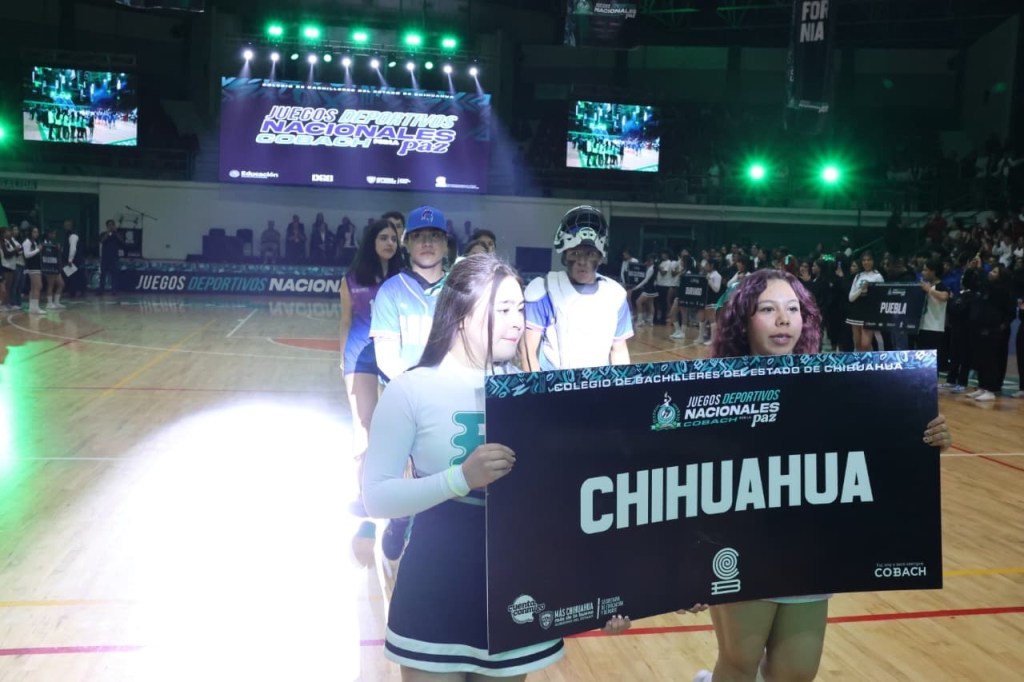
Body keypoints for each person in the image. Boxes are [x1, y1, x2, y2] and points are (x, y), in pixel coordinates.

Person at [363, 254, 630, 680]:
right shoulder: (411, 389)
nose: (517, 322)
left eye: (520, 309)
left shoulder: (537, 394)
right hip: (435, 588)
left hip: (516, 590)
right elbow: (377, 497)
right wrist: (461, 479)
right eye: (503, 309)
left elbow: (571, 505)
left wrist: (604, 588)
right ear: (461, 313)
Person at [692, 269, 953, 682]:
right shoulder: (713, 389)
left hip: (808, 549)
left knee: (797, 672)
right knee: (740, 662)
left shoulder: (832, 385)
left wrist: (926, 439)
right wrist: (685, 565)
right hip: (743, 545)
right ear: (743, 319)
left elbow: (877, 448)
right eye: (768, 309)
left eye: (793, 309)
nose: (784, 319)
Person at [369, 205, 450, 560]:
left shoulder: (460, 289)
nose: (427, 243)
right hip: (405, 393)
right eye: (419, 237)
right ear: (407, 244)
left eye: (434, 236)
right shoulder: (392, 290)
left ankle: (441, 527)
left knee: (445, 465)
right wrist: (419, 388)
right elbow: (386, 356)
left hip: (451, 392)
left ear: (445, 244)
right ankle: (400, 519)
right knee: (404, 468)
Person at [339, 219, 401, 521]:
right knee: (363, 424)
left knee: (394, 424)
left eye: (393, 238)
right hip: (360, 355)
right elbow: (345, 321)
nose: (389, 243)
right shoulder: (351, 279)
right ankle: (362, 494)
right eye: (383, 238)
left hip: (393, 355)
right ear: (371, 242)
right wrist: (342, 358)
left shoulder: (404, 278)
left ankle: (394, 487)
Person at [522, 205, 632, 370]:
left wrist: (622, 384)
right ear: (564, 256)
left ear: (600, 257)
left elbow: (619, 350)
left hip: (598, 383)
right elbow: (527, 350)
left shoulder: (615, 295)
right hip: (555, 381)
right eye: (575, 253)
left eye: (590, 254)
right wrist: (536, 385)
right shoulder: (545, 290)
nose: (582, 261)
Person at [846, 251, 885, 352]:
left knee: (865, 345)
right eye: (864, 260)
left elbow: (882, 296)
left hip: (870, 312)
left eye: (869, 260)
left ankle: (870, 361)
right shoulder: (858, 276)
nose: (866, 262)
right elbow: (851, 298)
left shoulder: (878, 276)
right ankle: (860, 362)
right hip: (856, 311)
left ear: (873, 261)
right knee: (858, 344)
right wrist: (861, 290)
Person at [22, 226, 46, 314]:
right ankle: (35, 308)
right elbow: (26, 255)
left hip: (36, 266)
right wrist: (38, 249)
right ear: (30, 233)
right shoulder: (27, 242)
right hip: (32, 267)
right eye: (34, 232)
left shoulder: (34, 242)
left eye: (37, 232)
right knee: (38, 286)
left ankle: (32, 307)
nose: (36, 234)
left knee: (33, 287)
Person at [41, 228, 65, 309]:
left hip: (55, 266)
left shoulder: (52, 243)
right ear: (49, 234)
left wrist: (58, 249)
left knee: (61, 284)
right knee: (50, 284)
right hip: (48, 267)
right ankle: (49, 303)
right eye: (53, 233)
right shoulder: (43, 243)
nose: (54, 235)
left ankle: (56, 302)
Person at [98, 219, 122, 295]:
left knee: (114, 275)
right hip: (105, 258)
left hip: (114, 258)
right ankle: (101, 290)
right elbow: (101, 241)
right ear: (107, 226)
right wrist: (108, 232)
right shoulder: (103, 234)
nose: (111, 226)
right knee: (103, 275)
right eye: (109, 225)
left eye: (112, 225)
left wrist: (116, 232)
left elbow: (121, 241)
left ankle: (114, 290)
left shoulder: (117, 234)